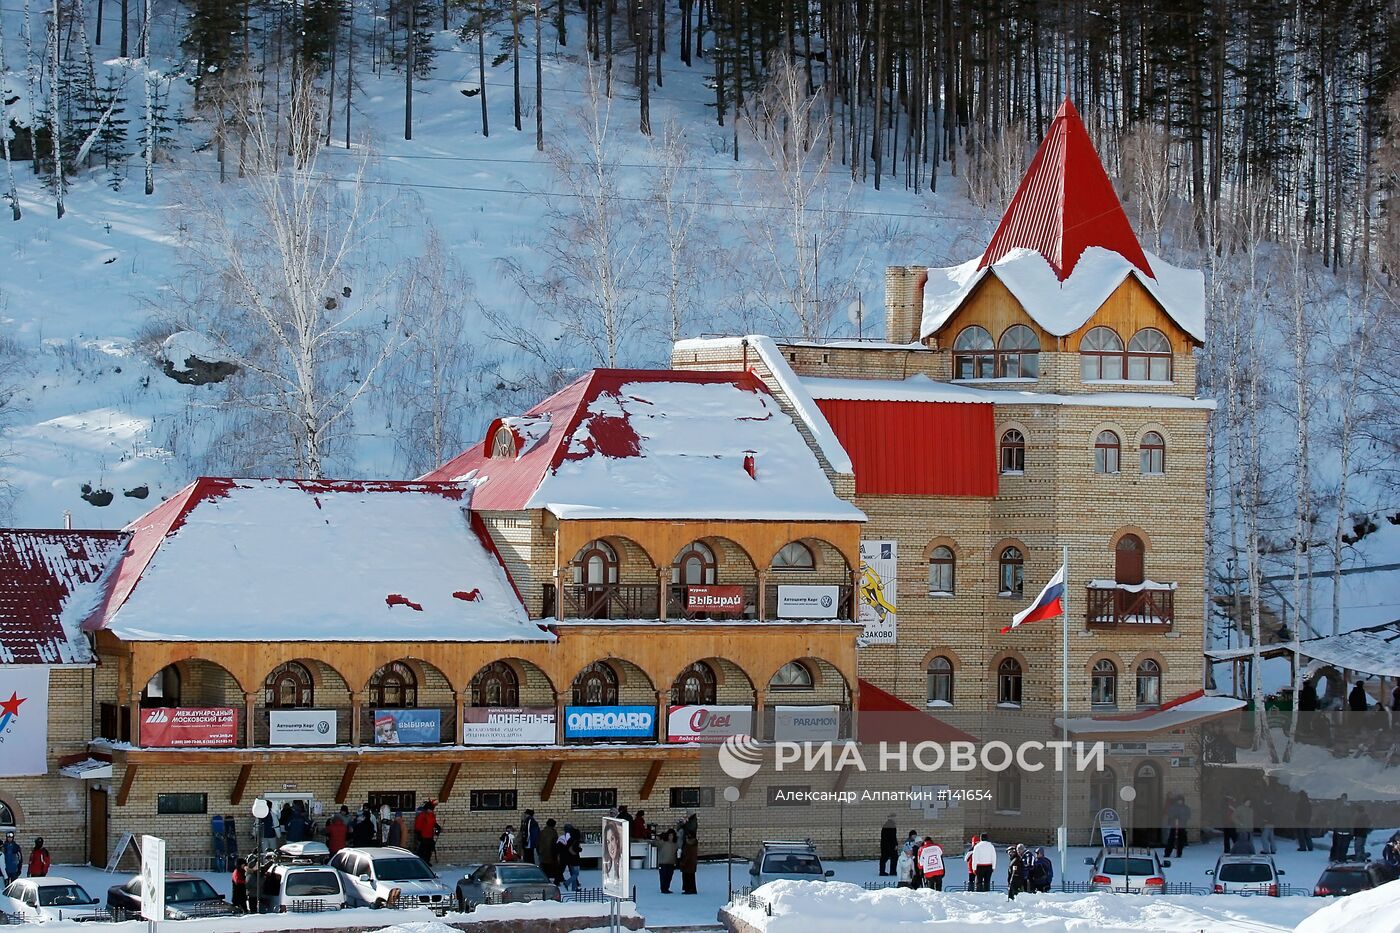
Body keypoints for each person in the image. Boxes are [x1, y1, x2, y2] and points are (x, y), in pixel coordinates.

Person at [1163, 794, 1190, 859]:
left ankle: (1179, 853)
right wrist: (1173, 817)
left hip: (1182, 826)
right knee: (1171, 839)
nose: (1179, 802)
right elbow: (1169, 814)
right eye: (1178, 801)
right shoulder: (1173, 807)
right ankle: (1167, 853)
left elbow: (1188, 816)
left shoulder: (1185, 808)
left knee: (1181, 840)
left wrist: (1182, 818)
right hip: (1174, 825)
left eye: (1181, 801)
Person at [1329, 794, 1354, 862]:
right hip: (1344, 831)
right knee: (1343, 846)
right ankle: (1340, 858)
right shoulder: (1348, 811)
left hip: (1339, 830)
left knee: (1339, 845)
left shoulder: (1338, 810)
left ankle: (1337, 858)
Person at [414, 800, 439, 865]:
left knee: (429, 850)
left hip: (430, 835)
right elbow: (418, 824)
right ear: (427, 809)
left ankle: (427, 861)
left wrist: (437, 826)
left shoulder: (432, 815)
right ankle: (420, 863)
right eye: (430, 809)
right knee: (422, 850)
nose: (431, 811)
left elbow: (433, 823)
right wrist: (418, 833)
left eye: (431, 809)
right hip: (423, 836)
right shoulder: (422, 815)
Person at [655, 829, 678, 894]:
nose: (671, 837)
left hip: (671, 862)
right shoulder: (663, 842)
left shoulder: (675, 844)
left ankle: (667, 888)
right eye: (670, 835)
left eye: (672, 835)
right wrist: (657, 839)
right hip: (663, 863)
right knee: (663, 876)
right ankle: (663, 889)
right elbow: (656, 844)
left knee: (669, 876)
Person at [538, 818, 559, 883]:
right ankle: (556, 881)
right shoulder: (553, 832)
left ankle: (543, 880)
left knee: (544, 869)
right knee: (554, 869)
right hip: (551, 854)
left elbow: (538, 843)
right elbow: (555, 843)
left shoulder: (542, 832)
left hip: (543, 854)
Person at [680, 829, 699, 895]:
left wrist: (682, 862)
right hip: (692, 864)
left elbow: (687, 855)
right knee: (691, 877)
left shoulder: (688, 845)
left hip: (687, 864)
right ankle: (692, 889)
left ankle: (688, 889)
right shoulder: (694, 844)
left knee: (687, 877)